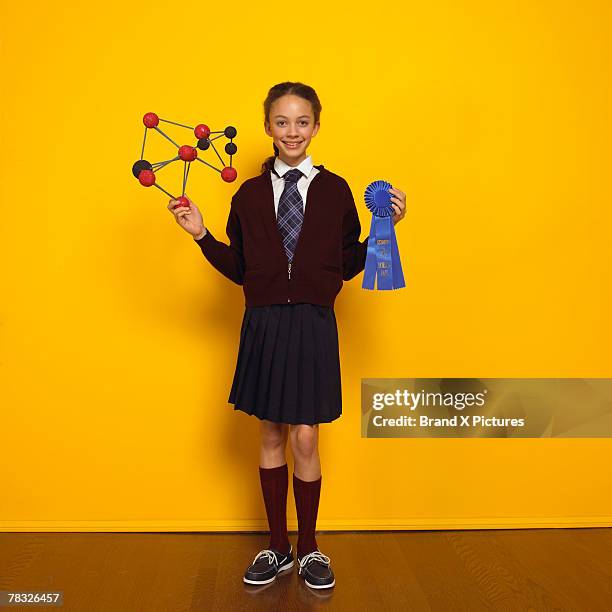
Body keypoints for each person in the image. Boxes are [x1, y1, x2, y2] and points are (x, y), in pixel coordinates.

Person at [167, 82, 407, 590]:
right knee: (271, 432)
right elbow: (240, 267)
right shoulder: (248, 195)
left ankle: (310, 547)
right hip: (266, 321)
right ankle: (277, 545)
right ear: (267, 128)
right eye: (282, 122)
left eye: (302, 122)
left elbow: (344, 264)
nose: (292, 131)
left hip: (314, 323)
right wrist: (201, 234)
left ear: (316, 127)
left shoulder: (337, 190)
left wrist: (385, 228)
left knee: (305, 434)